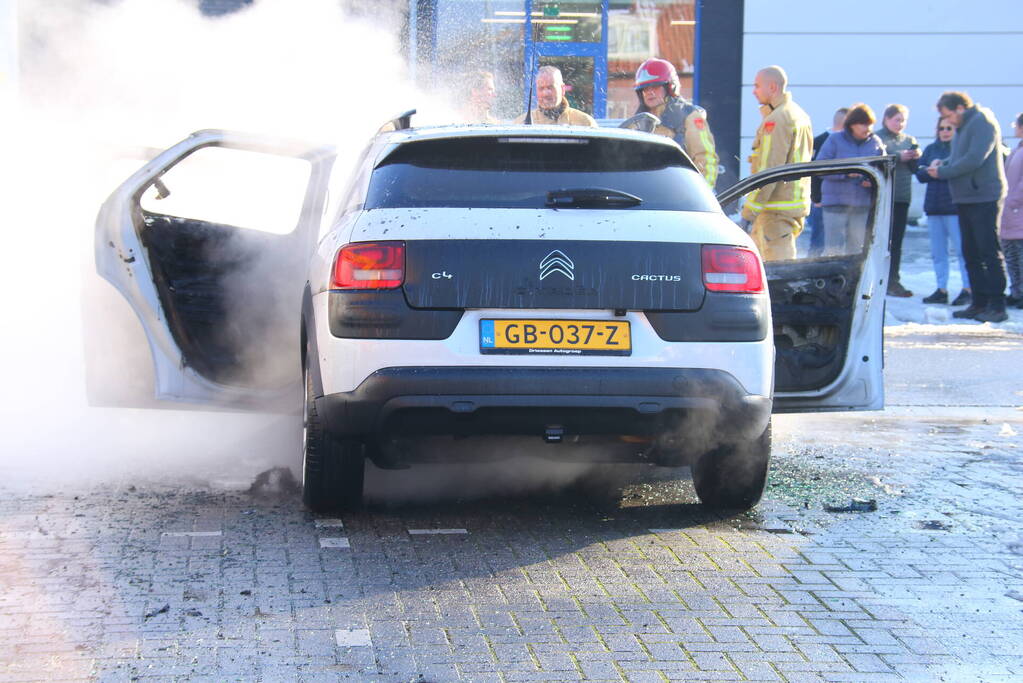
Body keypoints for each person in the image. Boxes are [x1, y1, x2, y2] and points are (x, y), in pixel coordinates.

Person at [928, 91, 1009, 322]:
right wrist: (942, 164)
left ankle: (997, 305)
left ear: (960, 108)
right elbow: (958, 157)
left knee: (988, 251)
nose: (949, 122)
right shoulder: (964, 126)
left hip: (983, 196)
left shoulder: (983, 122)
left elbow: (975, 159)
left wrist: (942, 172)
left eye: (949, 115)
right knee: (970, 252)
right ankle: (979, 302)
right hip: (965, 197)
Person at [741, 65, 814, 261]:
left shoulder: (777, 119)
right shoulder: (798, 114)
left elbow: (768, 171)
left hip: (775, 210)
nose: (753, 91)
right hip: (789, 206)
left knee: (777, 276)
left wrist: (748, 213)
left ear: (772, 87)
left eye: (757, 85)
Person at [633, 58, 719, 189]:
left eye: (655, 87)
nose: (649, 92)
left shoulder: (690, 117)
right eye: (645, 89)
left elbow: (706, 160)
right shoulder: (637, 123)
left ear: (670, 87)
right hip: (645, 198)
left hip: (679, 197)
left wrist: (700, 196)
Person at [815, 104, 886, 254]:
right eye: (863, 124)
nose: (867, 128)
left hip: (861, 204)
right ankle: (833, 276)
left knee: (856, 248)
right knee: (833, 248)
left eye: (870, 124)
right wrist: (845, 174)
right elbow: (820, 168)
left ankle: (853, 277)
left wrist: (873, 182)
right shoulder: (834, 140)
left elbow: (884, 170)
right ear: (852, 124)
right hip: (835, 203)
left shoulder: (875, 143)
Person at [915, 116, 971, 305]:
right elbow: (920, 173)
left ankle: (967, 288)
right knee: (938, 253)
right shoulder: (931, 149)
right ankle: (941, 288)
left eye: (949, 128)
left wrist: (941, 169)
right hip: (934, 207)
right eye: (942, 128)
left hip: (954, 208)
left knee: (963, 251)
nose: (945, 131)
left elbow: (962, 171)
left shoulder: (961, 149)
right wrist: (931, 169)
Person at [876, 104, 921, 297]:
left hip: (902, 196)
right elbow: (875, 160)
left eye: (903, 120)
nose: (900, 124)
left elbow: (915, 169)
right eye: (897, 120)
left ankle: (894, 280)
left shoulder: (909, 140)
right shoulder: (878, 138)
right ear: (886, 119)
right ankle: (879, 278)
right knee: (881, 240)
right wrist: (896, 156)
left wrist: (914, 157)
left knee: (897, 241)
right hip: (884, 197)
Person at [807, 108, 849, 256]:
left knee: (839, 244)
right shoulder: (819, 142)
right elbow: (813, 172)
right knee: (818, 243)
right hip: (823, 201)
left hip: (845, 201)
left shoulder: (850, 143)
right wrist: (816, 198)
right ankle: (812, 272)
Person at [514, 66, 597, 127]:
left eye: (551, 87)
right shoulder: (521, 124)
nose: (546, 93)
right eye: (541, 88)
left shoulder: (585, 123)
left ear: (563, 89)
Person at [1001, 112, 1023, 308]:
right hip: (1010, 211)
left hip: (1018, 210)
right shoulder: (1017, 149)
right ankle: (1016, 290)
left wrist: (1013, 201)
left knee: (1019, 253)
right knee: (1012, 254)